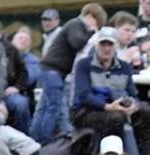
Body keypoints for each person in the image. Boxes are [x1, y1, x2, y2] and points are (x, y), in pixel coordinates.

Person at [72, 27, 150, 155]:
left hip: (117, 107)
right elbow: (83, 95)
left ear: (116, 46)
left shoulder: (125, 67)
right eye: (103, 44)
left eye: (110, 44)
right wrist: (107, 106)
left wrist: (133, 105)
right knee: (115, 118)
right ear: (96, 45)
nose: (106, 48)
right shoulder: (84, 65)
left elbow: (132, 93)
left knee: (148, 114)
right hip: (86, 111)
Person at [31, 3, 106, 145]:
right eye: (97, 22)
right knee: (53, 107)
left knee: (45, 107)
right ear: (91, 16)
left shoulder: (74, 25)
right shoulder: (75, 24)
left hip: (52, 70)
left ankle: (35, 139)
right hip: (53, 70)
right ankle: (45, 141)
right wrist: (92, 32)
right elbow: (76, 43)